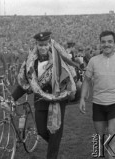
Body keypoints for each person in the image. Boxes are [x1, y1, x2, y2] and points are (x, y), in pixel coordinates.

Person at [11, 31, 81, 159]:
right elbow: (24, 84)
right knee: (42, 131)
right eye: (40, 45)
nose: (43, 47)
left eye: (45, 44)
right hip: (40, 101)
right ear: (36, 45)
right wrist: (12, 98)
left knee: (55, 131)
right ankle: (54, 146)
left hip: (58, 102)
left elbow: (67, 82)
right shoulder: (30, 62)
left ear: (49, 44)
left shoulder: (58, 61)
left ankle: (53, 152)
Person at [79, 30, 115, 159]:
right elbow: (86, 80)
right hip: (98, 103)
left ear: (114, 43)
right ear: (100, 44)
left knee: (112, 132)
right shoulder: (93, 61)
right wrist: (82, 98)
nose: (106, 44)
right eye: (103, 42)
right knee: (100, 135)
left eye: (109, 41)